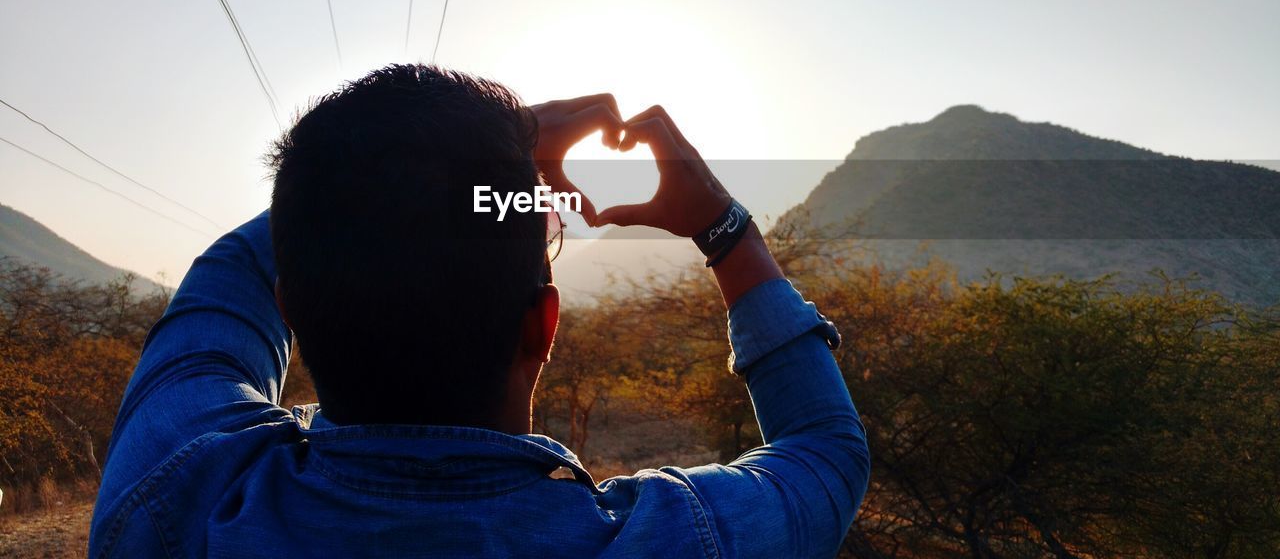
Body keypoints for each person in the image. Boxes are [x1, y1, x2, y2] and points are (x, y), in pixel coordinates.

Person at [89, 64, 870, 558]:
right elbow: (826, 450)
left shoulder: (179, 497)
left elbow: (231, 272)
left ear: (292, 314)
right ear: (544, 324)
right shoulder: (681, 539)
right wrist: (723, 228)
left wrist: (434, 168)